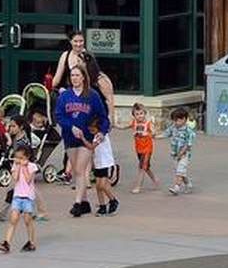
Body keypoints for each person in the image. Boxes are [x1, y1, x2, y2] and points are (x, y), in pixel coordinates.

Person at [54, 63, 109, 216]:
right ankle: (85, 202)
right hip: (70, 137)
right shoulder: (65, 96)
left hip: (87, 138)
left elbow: (103, 118)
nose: (75, 78)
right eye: (72, 75)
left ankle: (77, 203)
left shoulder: (92, 95)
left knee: (79, 169)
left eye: (77, 75)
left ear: (84, 77)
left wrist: (102, 132)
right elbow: (59, 116)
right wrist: (70, 127)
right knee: (76, 168)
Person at [0, 143, 38, 254]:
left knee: (27, 220)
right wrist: (16, 167)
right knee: (13, 219)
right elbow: (15, 178)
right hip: (17, 196)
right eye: (17, 157)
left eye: (21, 158)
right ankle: (7, 242)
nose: (18, 160)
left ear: (27, 157)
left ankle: (31, 242)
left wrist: (24, 167)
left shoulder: (32, 167)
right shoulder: (15, 166)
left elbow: (28, 180)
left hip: (28, 197)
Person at [117, 102, 159, 193]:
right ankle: (155, 179)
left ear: (145, 113)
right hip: (138, 148)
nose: (140, 116)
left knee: (141, 167)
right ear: (134, 115)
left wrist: (149, 133)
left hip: (147, 148)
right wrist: (116, 125)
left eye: (141, 113)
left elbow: (154, 132)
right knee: (146, 167)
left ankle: (138, 187)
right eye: (137, 114)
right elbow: (124, 126)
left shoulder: (148, 123)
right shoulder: (134, 123)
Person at [85, 116, 119, 216]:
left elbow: (91, 147)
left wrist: (82, 138)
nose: (91, 131)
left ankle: (113, 200)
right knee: (98, 186)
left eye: (93, 129)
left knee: (102, 185)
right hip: (98, 163)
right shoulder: (94, 135)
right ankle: (102, 205)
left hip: (106, 163)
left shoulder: (101, 136)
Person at [166, 107, 195, 195]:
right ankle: (188, 184)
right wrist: (155, 136)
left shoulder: (188, 131)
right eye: (174, 120)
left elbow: (188, 145)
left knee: (180, 171)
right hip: (175, 154)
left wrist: (181, 153)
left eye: (177, 120)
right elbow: (166, 133)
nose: (175, 123)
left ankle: (176, 187)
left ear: (184, 119)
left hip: (184, 155)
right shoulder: (173, 128)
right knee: (181, 172)